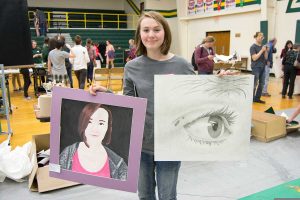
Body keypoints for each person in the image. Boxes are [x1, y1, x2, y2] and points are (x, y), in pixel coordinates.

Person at [90, 11, 195, 200]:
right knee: (145, 195)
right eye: (146, 30)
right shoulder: (132, 67)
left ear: (165, 33)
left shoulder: (182, 65)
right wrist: (107, 95)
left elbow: (198, 99)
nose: (151, 34)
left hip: (170, 143)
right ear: (139, 34)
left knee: (167, 196)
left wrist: (221, 84)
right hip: (140, 143)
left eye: (156, 29)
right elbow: (129, 104)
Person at [59, 103, 127, 180]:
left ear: (107, 128)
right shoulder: (68, 153)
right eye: (89, 122)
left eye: (101, 123)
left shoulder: (119, 164)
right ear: (83, 123)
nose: (95, 129)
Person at [250, 32, 269, 104]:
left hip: (263, 67)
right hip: (256, 67)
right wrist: (262, 50)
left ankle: (257, 98)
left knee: (262, 83)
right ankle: (251, 99)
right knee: (254, 83)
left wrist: (266, 51)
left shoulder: (263, 47)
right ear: (256, 37)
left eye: (262, 36)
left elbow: (266, 57)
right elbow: (254, 58)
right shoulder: (253, 47)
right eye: (260, 36)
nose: (261, 37)